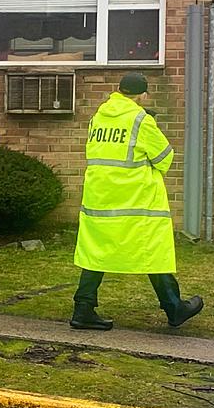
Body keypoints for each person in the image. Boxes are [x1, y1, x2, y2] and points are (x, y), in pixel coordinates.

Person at [71, 72, 204, 330]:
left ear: (118, 90)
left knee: (96, 254)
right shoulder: (141, 119)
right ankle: (174, 307)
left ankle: (83, 308)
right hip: (136, 203)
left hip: (100, 201)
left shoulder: (98, 117)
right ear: (143, 94)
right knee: (153, 252)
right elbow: (164, 157)